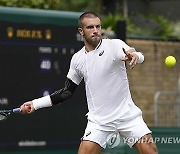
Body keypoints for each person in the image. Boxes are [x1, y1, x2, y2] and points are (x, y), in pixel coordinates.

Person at [20, 11, 158, 154]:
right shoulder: (77, 59)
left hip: (127, 116)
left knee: (150, 151)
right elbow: (66, 92)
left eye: (98, 27)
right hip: (99, 122)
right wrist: (35, 104)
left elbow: (136, 54)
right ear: (81, 31)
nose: (96, 31)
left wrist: (135, 56)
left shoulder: (114, 45)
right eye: (90, 27)